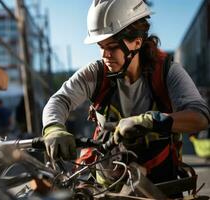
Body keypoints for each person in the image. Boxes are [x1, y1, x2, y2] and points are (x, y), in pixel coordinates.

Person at [42, 0, 210, 196]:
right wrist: (53, 127)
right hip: (108, 187)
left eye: (112, 46)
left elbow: (200, 117)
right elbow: (60, 99)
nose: (105, 54)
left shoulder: (167, 72)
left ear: (137, 42)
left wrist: (150, 121)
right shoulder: (96, 74)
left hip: (159, 187)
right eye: (100, 46)